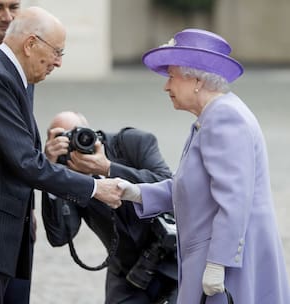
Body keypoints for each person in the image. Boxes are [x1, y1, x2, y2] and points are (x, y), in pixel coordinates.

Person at [0, 7, 123, 304]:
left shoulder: (2, 73)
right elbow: (26, 161)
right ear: (30, 44)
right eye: (57, 52)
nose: (59, 62)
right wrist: (94, 187)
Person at [117, 28, 290, 303]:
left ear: (195, 79)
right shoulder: (213, 115)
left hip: (229, 264)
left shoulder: (224, 118)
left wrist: (218, 264)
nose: (166, 86)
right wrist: (135, 192)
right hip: (219, 254)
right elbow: (195, 188)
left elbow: (234, 198)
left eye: (171, 76)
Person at [42, 111, 178, 303]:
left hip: (173, 262)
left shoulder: (132, 142)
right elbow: (59, 237)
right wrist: (51, 173)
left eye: (76, 134)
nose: (72, 144)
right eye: (62, 138)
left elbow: (168, 187)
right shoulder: (67, 176)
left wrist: (107, 168)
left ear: (90, 131)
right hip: (126, 272)